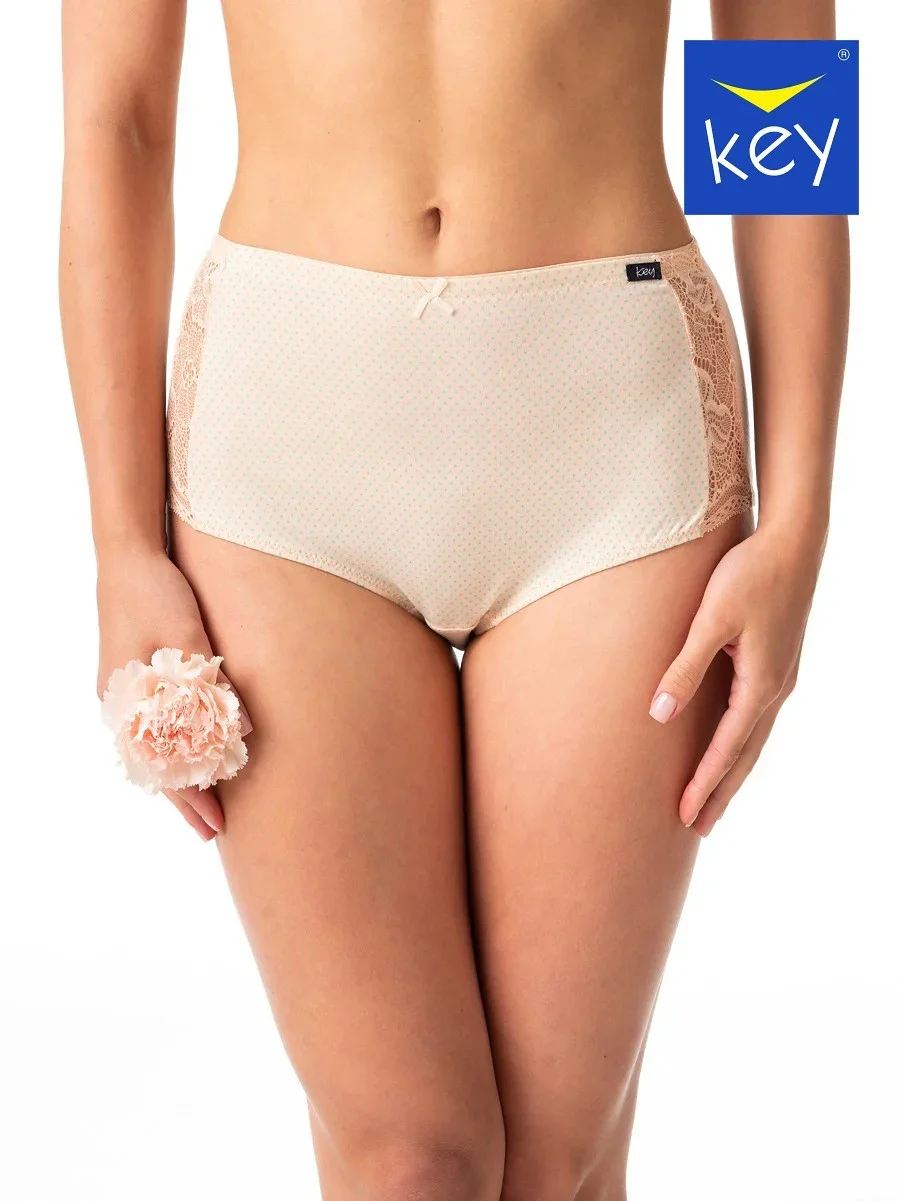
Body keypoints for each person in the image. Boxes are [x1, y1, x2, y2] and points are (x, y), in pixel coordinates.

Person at [59, 1, 849, 1198]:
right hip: (284, 450)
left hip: (616, 435)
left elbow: (780, 80)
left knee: (554, 1156)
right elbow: (116, 119)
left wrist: (799, 527)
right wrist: (120, 544)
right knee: (409, 1155)